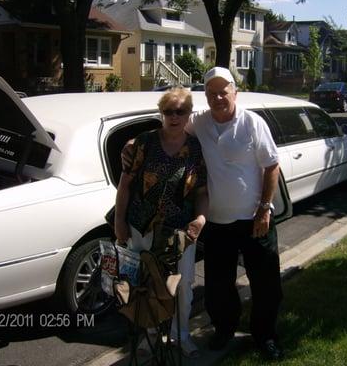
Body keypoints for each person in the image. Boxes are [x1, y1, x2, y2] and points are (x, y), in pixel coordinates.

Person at [186, 67, 284, 361]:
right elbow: (169, 126)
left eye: (223, 91)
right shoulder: (198, 123)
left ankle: (265, 335)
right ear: (206, 96)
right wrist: (133, 144)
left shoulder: (253, 123)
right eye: (212, 93)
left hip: (255, 219)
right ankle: (224, 330)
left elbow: (271, 165)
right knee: (218, 286)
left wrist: (264, 209)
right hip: (216, 222)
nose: (218, 97)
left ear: (235, 92)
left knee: (266, 284)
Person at [114, 87, 208, 359]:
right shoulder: (142, 143)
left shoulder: (195, 149)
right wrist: (119, 221)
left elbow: (201, 192)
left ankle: (181, 335)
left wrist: (201, 218)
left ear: (189, 114)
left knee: (183, 283)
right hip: (142, 227)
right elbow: (125, 185)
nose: (174, 116)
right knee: (145, 284)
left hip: (181, 230)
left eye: (181, 111)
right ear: (161, 112)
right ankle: (150, 334)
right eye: (169, 111)